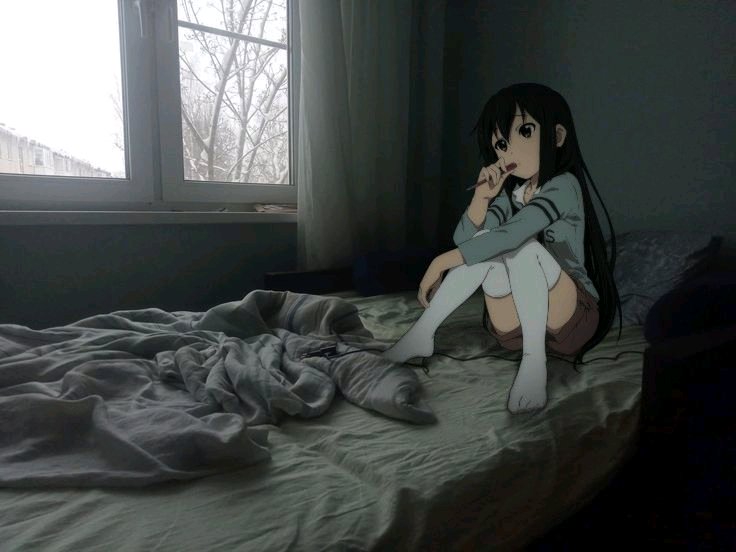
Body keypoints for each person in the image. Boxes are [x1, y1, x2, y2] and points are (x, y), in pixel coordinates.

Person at [382, 82, 622, 414]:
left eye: (525, 131)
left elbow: (512, 235)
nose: (510, 151)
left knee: (524, 249)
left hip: (572, 319)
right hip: (515, 327)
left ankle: (534, 364)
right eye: (501, 143)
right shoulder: (513, 195)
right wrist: (482, 198)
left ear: (557, 136)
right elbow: (467, 242)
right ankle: (422, 334)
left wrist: (440, 262)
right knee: (486, 244)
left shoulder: (564, 186)